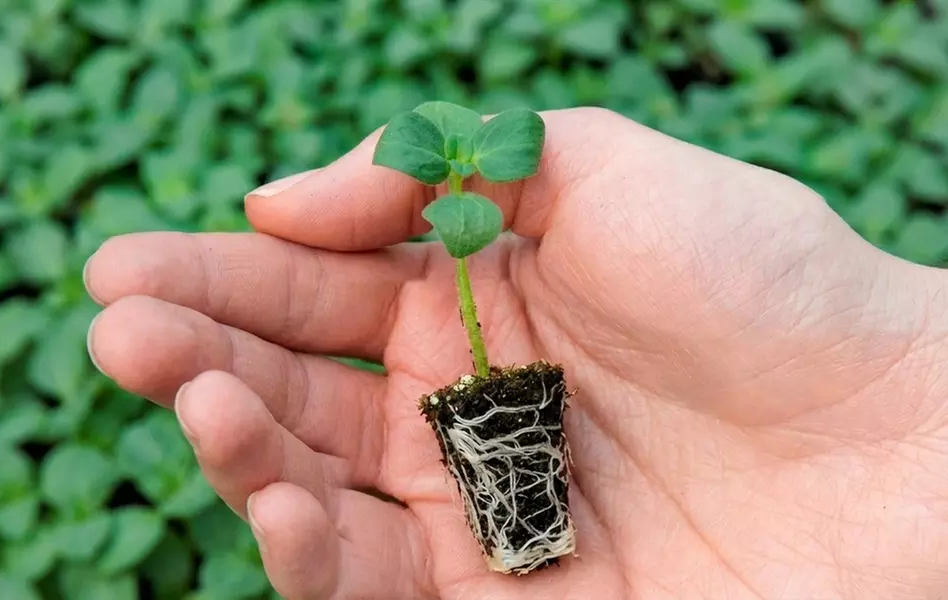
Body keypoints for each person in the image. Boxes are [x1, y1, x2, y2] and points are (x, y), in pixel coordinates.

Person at [83, 107, 948, 599]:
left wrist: (900, 377)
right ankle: (516, 537)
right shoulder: (455, 201)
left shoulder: (471, 200)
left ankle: (528, 537)